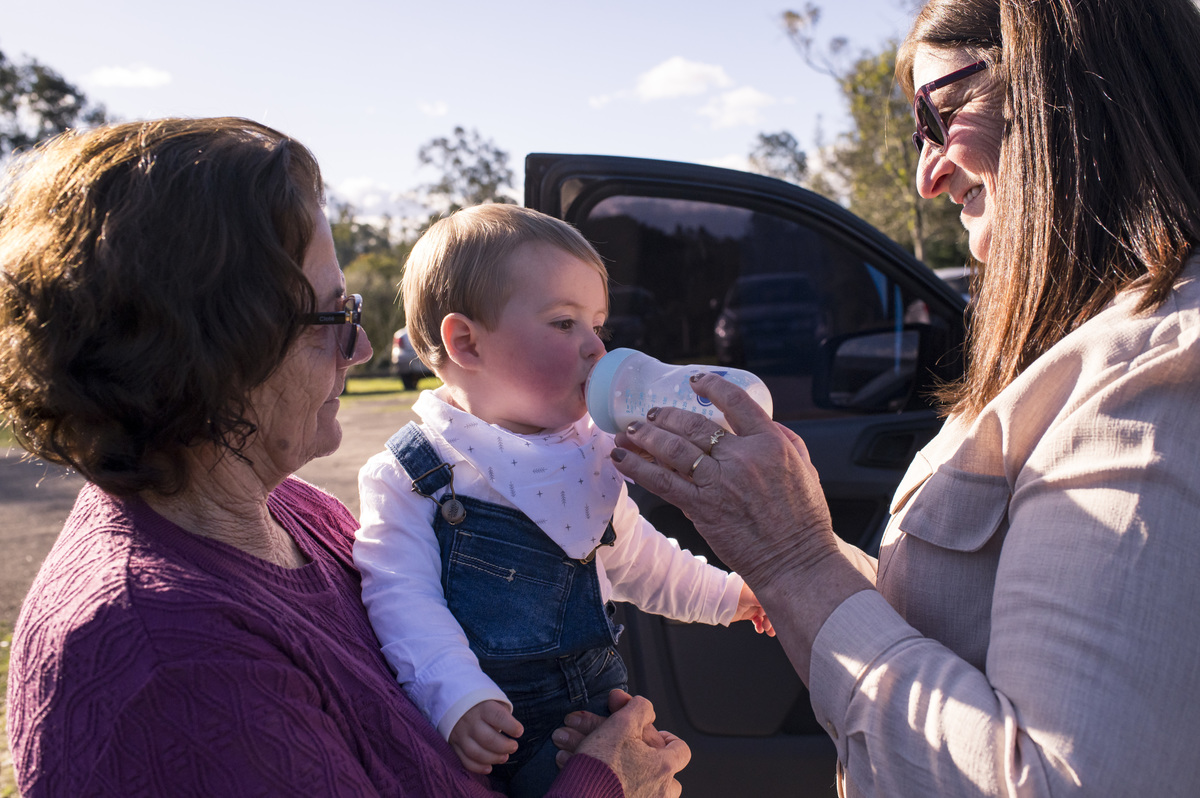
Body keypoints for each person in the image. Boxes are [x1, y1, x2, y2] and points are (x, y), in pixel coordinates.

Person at [570, 0, 1200, 795]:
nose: (926, 173)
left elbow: (1063, 780)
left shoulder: (1163, 375)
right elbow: (970, 635)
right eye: (917, 134)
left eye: (942, 114)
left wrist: (795, 562)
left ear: (1069, 88)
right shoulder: (1091, 350)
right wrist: (791, 534)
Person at [0, 117, 689, 797]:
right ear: (212, 348)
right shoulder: (166, 657)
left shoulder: (296, 514)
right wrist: (604, 783)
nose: (361, 350)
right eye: (334, 317)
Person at [354, 203, 771, 798]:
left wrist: (736, 595)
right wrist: (457, 695)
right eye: (563, 323)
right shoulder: (413, 473)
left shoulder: (589, 451)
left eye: (597, 324)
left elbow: (642, 561)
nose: (596, 348)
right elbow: (402, 601)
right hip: (495, 733)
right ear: (467, 342)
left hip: (601, 723)